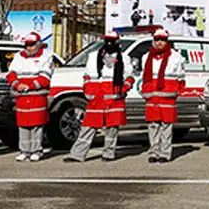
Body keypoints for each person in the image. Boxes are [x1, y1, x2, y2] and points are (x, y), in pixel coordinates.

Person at [67, 31, 134, 163]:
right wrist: (87, 90)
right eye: (107, 40)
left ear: (117, 42)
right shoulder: (93, 56)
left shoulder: (124, 58)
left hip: (114, 97)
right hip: (96, 97)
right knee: (88, 126)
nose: (109, 43)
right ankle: (77, 154)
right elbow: (86, 75)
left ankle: (109, 154)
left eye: (112, 40)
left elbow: (130, 77)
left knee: (111, 129)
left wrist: (122, 90)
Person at [139, 28, 185, 163]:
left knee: (166, 127)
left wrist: (176, 92)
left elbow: (181, 78)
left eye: (162, 40)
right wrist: (145, 92)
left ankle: (165, 153)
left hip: (168, 97)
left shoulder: (176, 57)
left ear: (167, 41)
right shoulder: (146, 57)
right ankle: (153, 152)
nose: (160, 43)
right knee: (153, 126)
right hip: (152, 97)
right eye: (157, 40)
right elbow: (144, 78)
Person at [7, 31, 54, 162]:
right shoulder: (18, 57)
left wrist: (29, 86)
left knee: (36, 125)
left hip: (37, 96)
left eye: (32, 45)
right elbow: (11, 74)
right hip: (21, 96)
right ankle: (24, 150)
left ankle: (36, 150)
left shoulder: (46, 57)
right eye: (27, 45)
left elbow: (45, 77)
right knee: (23, 124)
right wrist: (17, 84)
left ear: (38, 44)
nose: (29, 48)